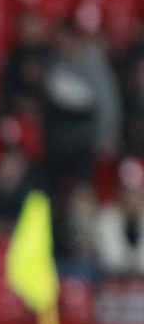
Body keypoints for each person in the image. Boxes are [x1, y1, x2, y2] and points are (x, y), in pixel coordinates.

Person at [43, 20, 121, 194]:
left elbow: (107, 102)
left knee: (83, 187)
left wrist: (108, 135)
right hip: (59, 139)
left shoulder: (93, 62)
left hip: (85, 139)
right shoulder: (55, 61)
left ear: (74, 39)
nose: (61, 45)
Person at [95, 158, 144, 276]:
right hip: (112, 285)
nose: (131, 199)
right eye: (127, 192)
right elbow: (113, 261)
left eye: (136, 192)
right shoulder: (106, 219)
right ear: (118, 191)